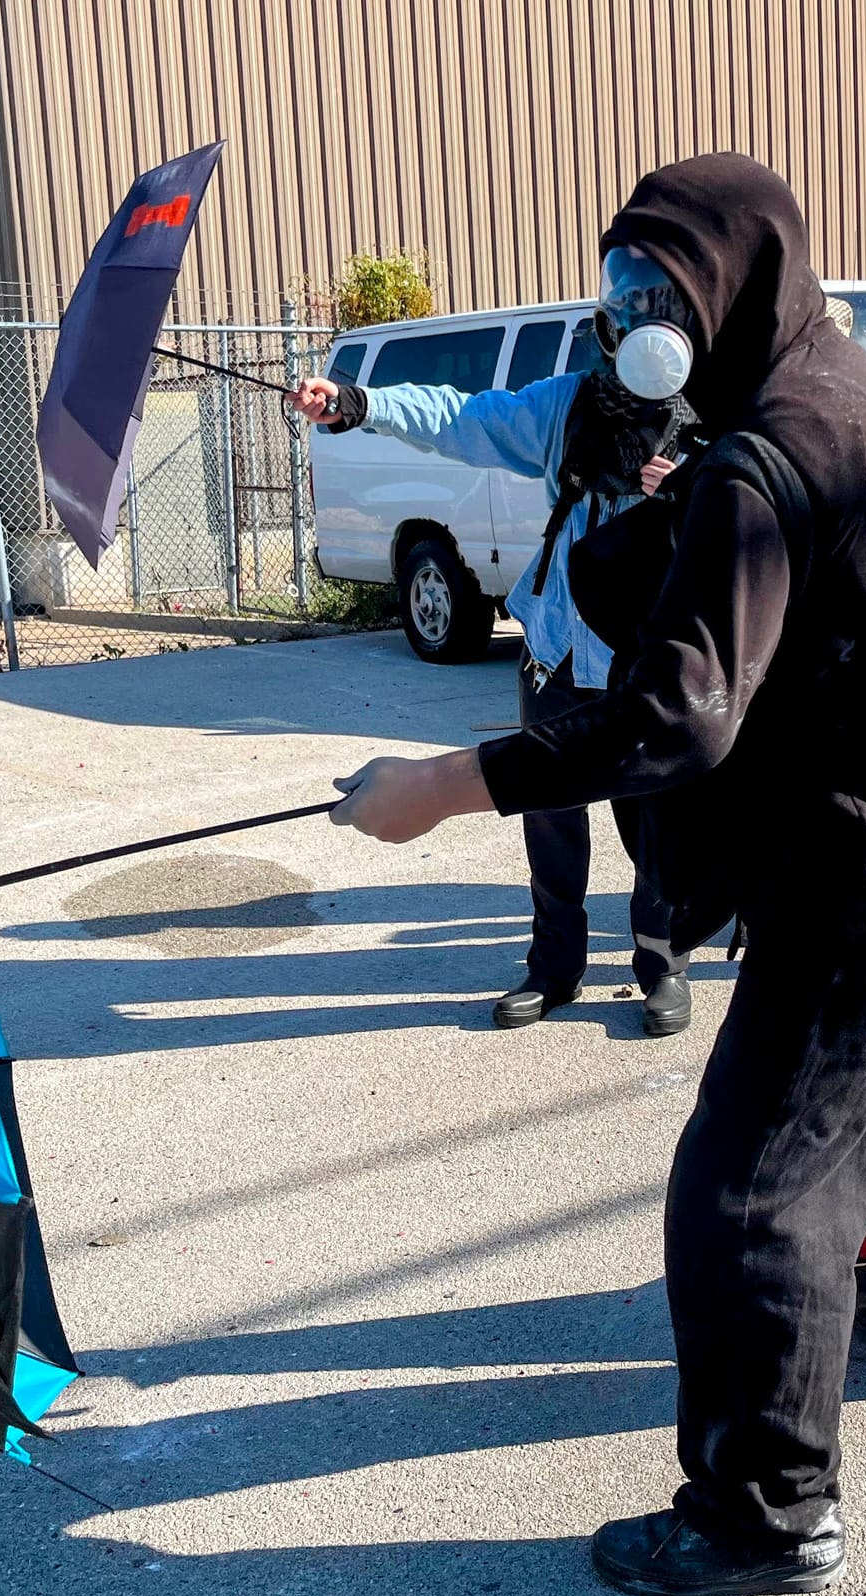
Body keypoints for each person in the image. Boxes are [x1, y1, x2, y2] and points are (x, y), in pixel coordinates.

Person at [304, 154, 866, 1596]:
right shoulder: (842, 395)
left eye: (656, 291)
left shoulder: (767, 456)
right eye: (619, 289)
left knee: (753, 1191)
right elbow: (748, 587)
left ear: (731, 285)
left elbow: (676, 720)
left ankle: (764, 1516)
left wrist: (445, 789)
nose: (633, 316)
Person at [289, 286, 701, 1038]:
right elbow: (461, 417)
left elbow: (772, 517)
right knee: (547, 815)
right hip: (557, 645)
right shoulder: (567, 406)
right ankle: (554, 968)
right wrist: (356, 402)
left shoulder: (715, 420)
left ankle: (662, 965)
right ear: (608, 333)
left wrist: (695, 493)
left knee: (657, 824)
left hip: (648, 658)